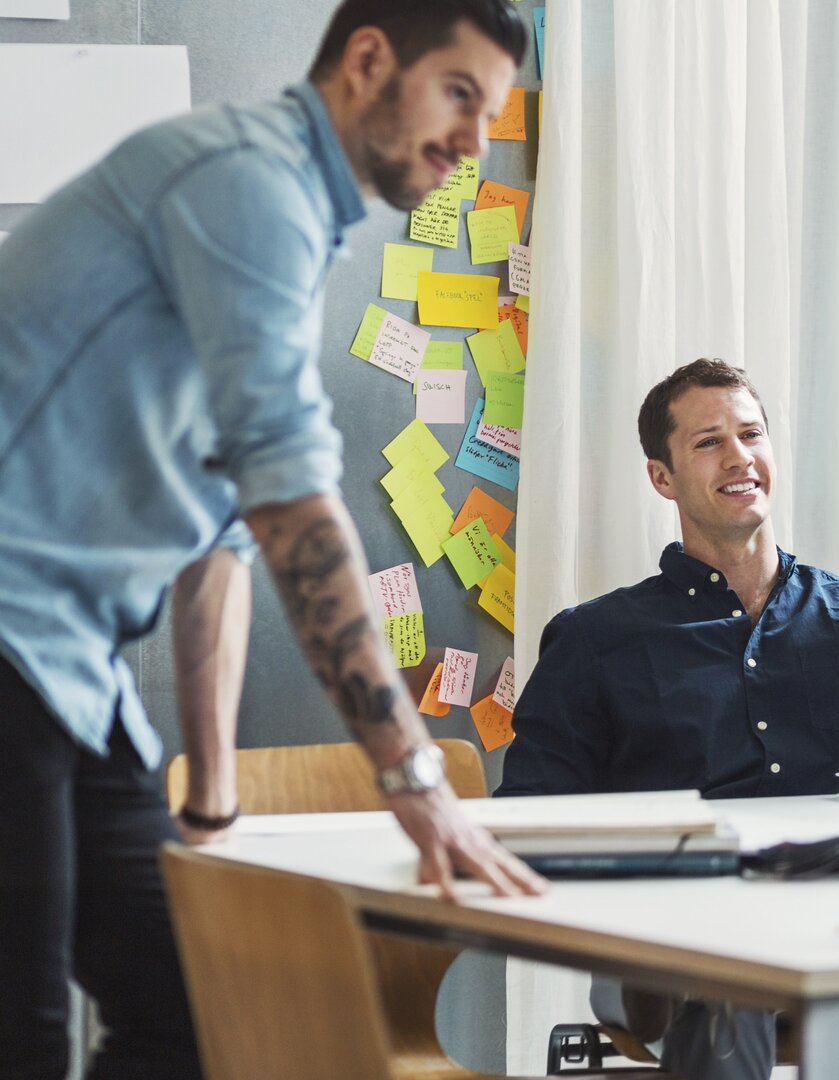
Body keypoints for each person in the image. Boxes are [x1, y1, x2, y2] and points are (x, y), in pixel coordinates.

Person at [0, 2, 546, 1075]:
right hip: (12, 641)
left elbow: (226, 535)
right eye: (459, 95)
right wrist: (413, 776)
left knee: (196, 1004)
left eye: (492, 112)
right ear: (369, 60)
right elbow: (296, 506)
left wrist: (210, 794)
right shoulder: (248, 183)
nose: (477, 141)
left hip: (70, 673)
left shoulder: (297, 223)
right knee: (20, 1035)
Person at [499, 358, 839, 1080]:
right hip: (676, 956)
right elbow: (530, 813)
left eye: (751, 433)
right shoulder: (596, 639)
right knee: (726, 972)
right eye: (709, 441)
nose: (740, 456)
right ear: (663, 476)